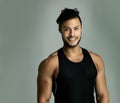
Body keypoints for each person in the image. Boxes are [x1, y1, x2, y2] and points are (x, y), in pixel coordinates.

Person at [37, 8, 110, 103]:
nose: (72, 34)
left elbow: (102, 96)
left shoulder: (96, 60)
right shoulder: (50, 63)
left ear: (81, 28)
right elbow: (43, 100)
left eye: (76, 28)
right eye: (66, 29)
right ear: (60, 30)